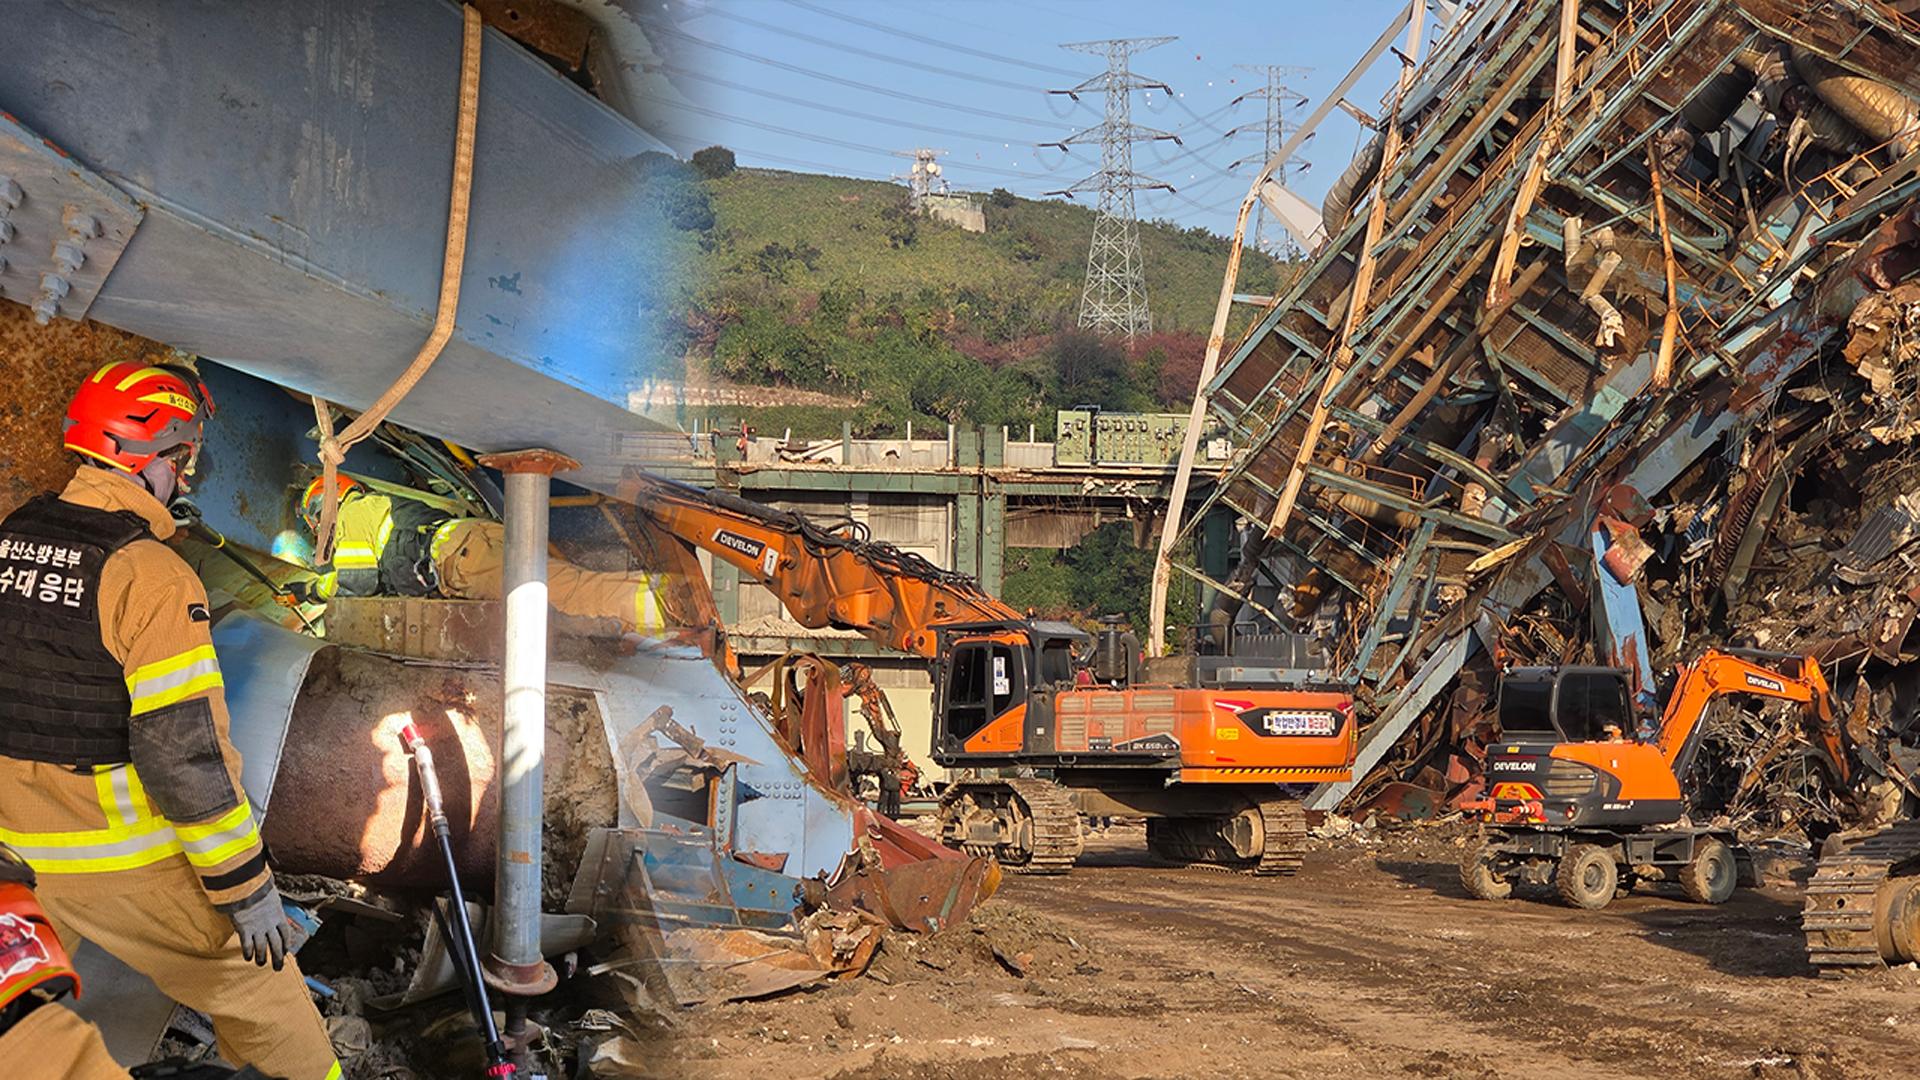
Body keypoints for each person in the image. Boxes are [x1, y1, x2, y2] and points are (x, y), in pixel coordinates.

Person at [0, 362, 339, 1080]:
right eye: (183, 461)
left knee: (21, 1017)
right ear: (151, 460)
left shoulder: (12, 536)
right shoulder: (150, 574)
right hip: (119, 860)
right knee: (260, 989)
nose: (185, 479)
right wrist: (245, 888)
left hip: (15, 851)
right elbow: (183, 754)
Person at [292, 474, 671, 635]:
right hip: (467, 549)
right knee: (561, 588)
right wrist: (311, 591)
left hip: (462, 560)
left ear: (325, 504)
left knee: (561, 594)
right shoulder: (372, 510)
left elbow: (358, 583)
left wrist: (320, 597)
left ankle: (666, 608)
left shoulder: (354, 512)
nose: (316, 528)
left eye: (314, 517)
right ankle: (658, 602)